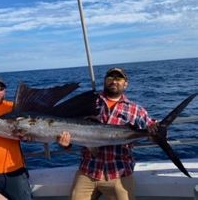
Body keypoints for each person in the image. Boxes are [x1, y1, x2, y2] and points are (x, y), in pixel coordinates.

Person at [58, 67, 158, 200]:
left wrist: (156, 129)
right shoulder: (89, 102)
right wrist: (65, 144)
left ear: (125, 83)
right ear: (105, 81)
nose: (114, 81)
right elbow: (73, 130)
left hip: (119, 172)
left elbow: (152, 127)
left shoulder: (136, 109)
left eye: (119, 78)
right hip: (87, 170)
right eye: (110, 77)